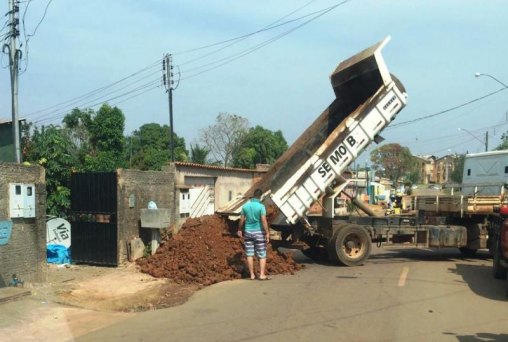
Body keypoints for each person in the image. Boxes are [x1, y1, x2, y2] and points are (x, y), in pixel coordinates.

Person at [237, 188, 270, 280]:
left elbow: (242, 219)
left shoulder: (245, 207)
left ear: (253, 196)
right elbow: (263, 220)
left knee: (249, 254)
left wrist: (239, 229)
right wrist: (267, 232)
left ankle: (252, 275)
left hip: (248, 232)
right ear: (260, 197)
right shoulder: (261, 207)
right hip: (258, 232)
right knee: (262, 254)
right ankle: (262, 274)